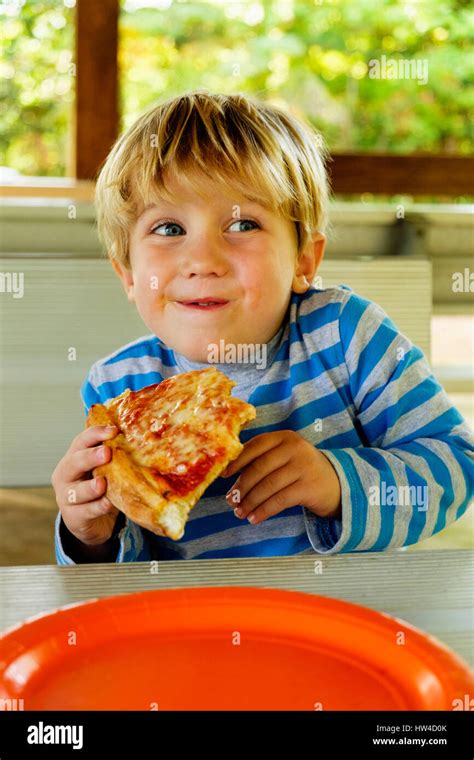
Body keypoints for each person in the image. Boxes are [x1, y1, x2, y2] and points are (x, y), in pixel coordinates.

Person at [52, 90, 473, 564]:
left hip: (345, 615)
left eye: (242, 224)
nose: (202, 260)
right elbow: (132, 561)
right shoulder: (116, 391)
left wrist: (337, 481)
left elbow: (455, 467)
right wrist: (89, 533)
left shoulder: (346, 337)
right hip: (191, 622)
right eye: (169, 229)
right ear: (128, 274)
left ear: (304, 260)